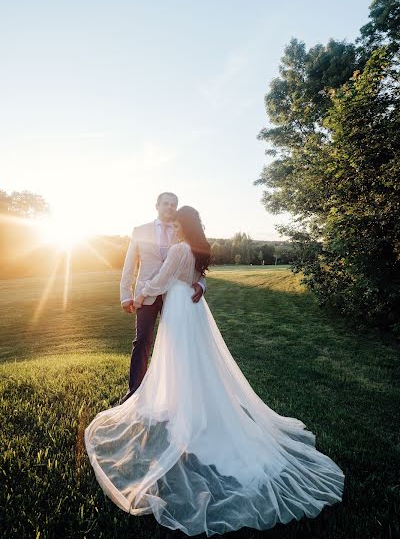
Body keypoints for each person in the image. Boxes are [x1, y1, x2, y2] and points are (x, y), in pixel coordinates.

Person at [84, 206, 345, 536]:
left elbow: (163, 280)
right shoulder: (197, 249)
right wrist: (189, 286)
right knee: (193, 361)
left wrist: (140, 294)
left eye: (177, 223)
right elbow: (196, 276)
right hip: (192, 310)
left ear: (184, 225)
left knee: (182, 360)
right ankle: (190, 403)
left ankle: (188, 411)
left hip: (180, 309)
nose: (174, 228)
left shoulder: (179, 249)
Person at [116, 192, 206, 405]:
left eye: (174, 204)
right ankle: (135, 392)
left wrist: (201, 285)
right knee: (142, 341)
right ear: (157, 205)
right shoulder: (140, 231)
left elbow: (198, 267)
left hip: (175, 298)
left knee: (177, 344)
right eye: (165, 203)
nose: (169, 207)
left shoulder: (183, 232)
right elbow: (129, 266)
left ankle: (175, 394)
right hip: (145, 296)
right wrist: (126, 295)